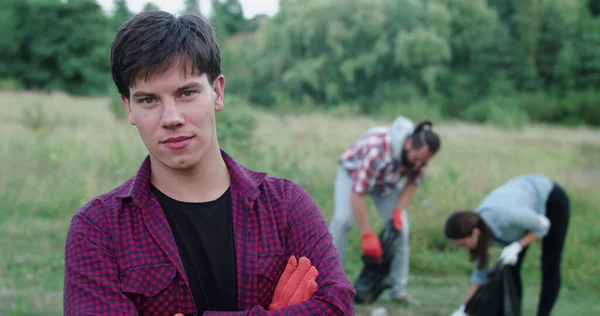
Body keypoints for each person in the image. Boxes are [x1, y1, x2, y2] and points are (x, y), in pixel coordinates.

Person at [63, 10, 355, 316]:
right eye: (149, 100)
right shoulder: (99, 229)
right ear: (129, 108)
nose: (171, 118)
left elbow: (337, 307)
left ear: (217, 92)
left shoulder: (285, 206)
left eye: (186, 93)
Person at [329, 115, 441, 304]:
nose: (418, 165)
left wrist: (398, 211)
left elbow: (413, 182)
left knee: (401, 229)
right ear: (408, 145)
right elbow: (357, 193)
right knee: (343, 220)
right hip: (353, 173)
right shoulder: (378, 151)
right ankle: (327, 282)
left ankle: (398, 291)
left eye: (423, 162)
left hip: (385, 184)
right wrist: (367, 235)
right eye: (416, 159)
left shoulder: (419, 156)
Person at [445, 174, 570, 316]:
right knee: (511, 270)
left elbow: (543, 226)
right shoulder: (479, 229)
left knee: (550, 262)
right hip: (522, 211)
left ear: (475, 233)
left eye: (463, 244)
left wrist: (517, 246)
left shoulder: (506, 217)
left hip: (550, 199)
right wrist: (464, 310)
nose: (463, 248)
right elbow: (479, 276)